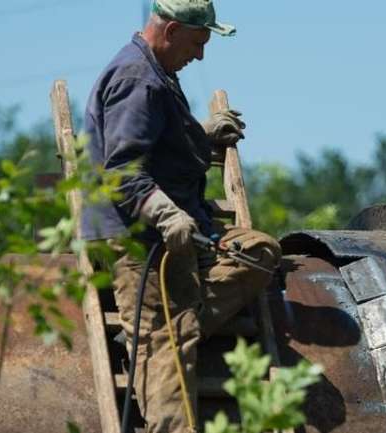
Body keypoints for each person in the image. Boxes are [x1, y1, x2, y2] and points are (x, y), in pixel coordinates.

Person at [80, 1, 281, 432]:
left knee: (259, 252)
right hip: (139, 238)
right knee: (169, 342)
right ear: (170, 30)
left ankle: (164, 328)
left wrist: (200, 133)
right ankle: (158, 341)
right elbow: (122, 170)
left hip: (183, 231)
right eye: (197, 42)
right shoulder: (138, 80)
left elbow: (158, 143)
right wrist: (166, 215)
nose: (201, 56)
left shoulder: (158, 73)